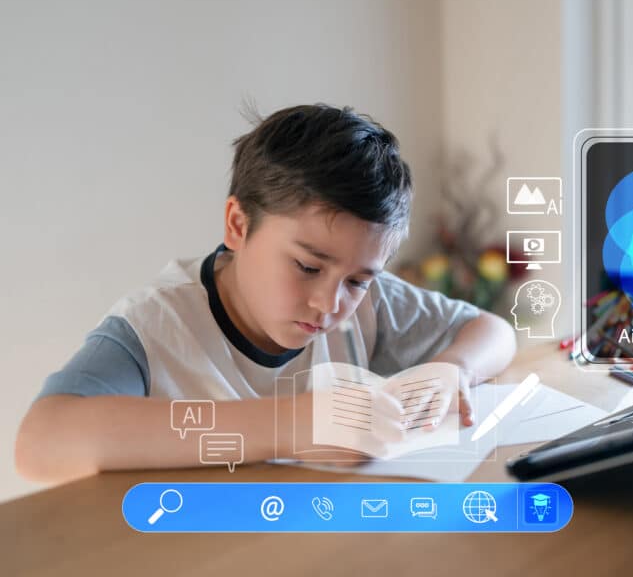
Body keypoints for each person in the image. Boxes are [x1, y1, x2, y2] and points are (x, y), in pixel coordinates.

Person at [15, 104, 517, 483]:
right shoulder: (157, 325)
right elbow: (41, 440)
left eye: (359, 280)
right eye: (306, 266)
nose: (330, 302)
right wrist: (293, 424)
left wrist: (452, 368)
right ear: (238, 224)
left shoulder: (367, 300)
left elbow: (492, 331)